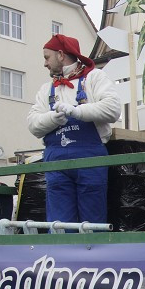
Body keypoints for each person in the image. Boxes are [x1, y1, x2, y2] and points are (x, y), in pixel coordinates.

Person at [27, 34, 122, 225]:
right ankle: (62, 254)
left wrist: (77, 112)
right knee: (59, 224)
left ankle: (93, 254)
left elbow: (113, 109)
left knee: (93, 220)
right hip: (56, 164)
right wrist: (52, 118)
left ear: (61, 55)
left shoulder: (94, 77)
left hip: (89, 158)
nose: (45, 63)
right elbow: (33, 125)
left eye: (47, 57)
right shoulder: (46, 89)